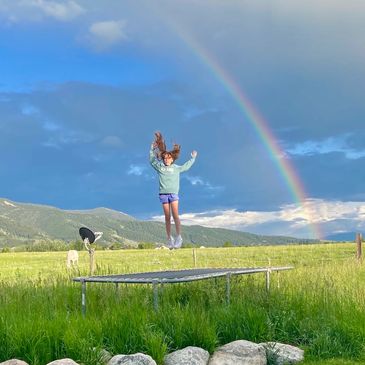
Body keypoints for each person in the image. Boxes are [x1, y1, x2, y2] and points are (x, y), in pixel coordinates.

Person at [149, 131, 197, 249]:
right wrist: (151, 150)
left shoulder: (176, 168)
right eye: (165, 158)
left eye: (168, 158)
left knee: (175, 215)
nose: (166, 160)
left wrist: (193, 158)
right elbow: (152, 161)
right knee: (167, 217)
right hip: (163, 194)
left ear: (172, 159)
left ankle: (179, 237)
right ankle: (169, 238)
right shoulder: (160, 167)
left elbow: (186, 166)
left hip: (173, 194)